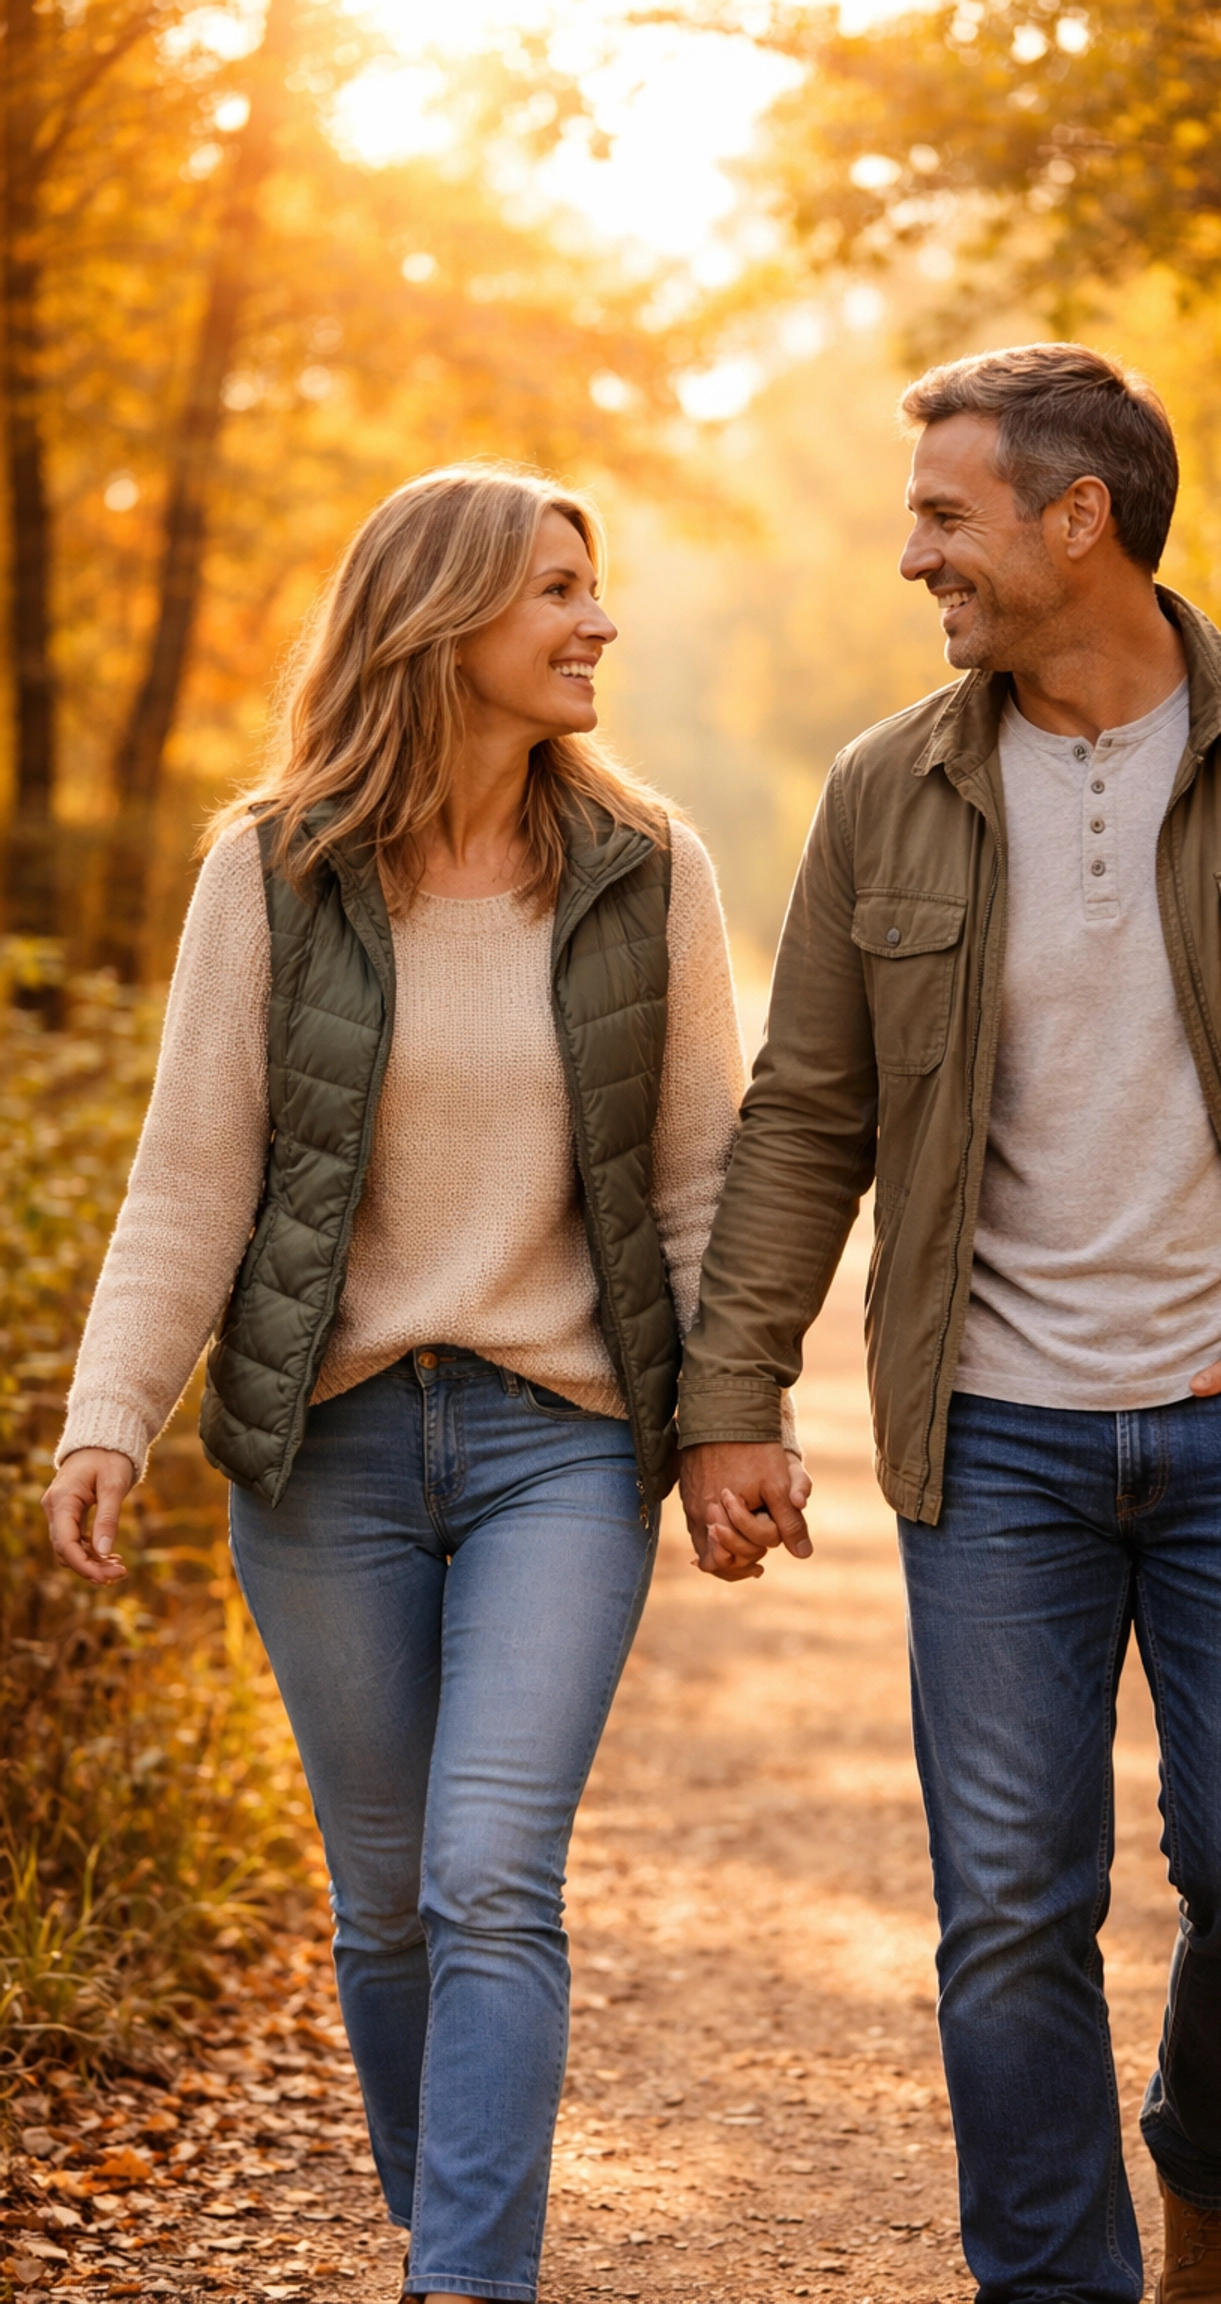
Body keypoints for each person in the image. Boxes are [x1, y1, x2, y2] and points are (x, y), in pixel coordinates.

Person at [675, 345, 1221, 2302]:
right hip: (995, 1439)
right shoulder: (886, 790)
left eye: (945, 516)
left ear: (1083, 519)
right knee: (1007, 1913)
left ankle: (1212, 2160)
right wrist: (731, 1401)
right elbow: (807, 1115)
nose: (914, 557)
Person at [44, 463, 797, 2304]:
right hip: (332, 1454)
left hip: (563, 1444)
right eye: (557, 589)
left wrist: (736, 1420)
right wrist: (110, 1413)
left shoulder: (649, 868)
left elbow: (701, 1180)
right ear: (442, 619)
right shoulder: (273, 868)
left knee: (489, 1876)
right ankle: (441, 2209)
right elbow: (193, 1178)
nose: (598, 621)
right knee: (385, 1905)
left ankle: (467, 2277)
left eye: (593, 585)